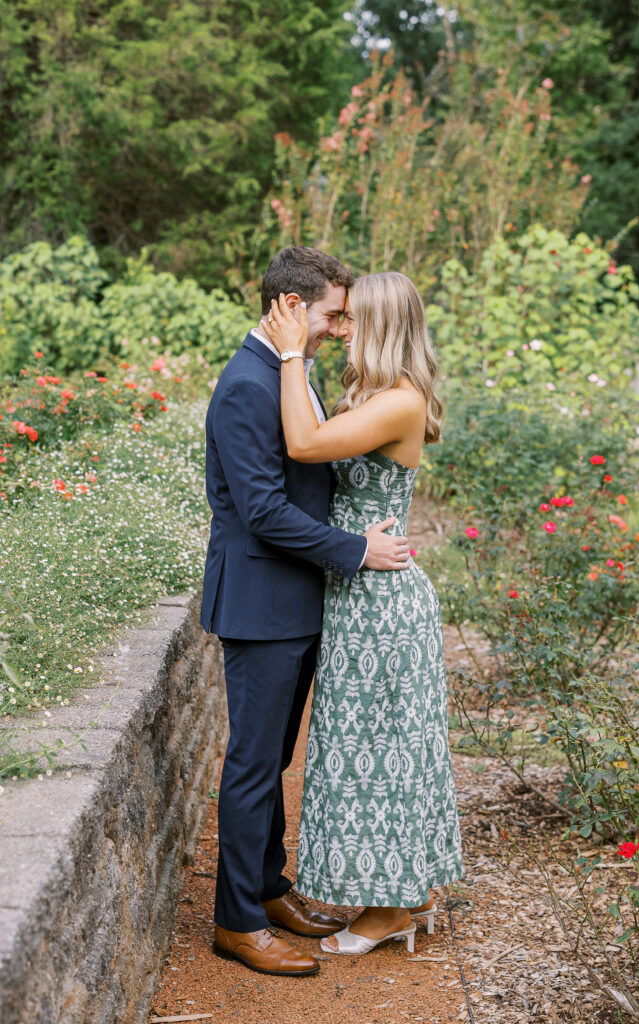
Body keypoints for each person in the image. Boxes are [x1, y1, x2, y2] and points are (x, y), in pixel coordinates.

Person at [200, 247, 412, 978]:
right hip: (261, 601)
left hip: (293, 598)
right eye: (328, 315)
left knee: (276, 759)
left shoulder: (287, 371)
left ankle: (267, 887)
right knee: (254, 765)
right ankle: (235, 922)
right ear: (290, 307)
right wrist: (353, 551)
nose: (336, 329)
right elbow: (260, 510)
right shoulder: (245, 384)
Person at [262, 270, 462, 956]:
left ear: (381, 326)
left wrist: (290, 354)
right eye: (335, 319)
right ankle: (402, 894)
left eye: (351, 320)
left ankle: (393, 909)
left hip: (382, 602)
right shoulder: (377, 393)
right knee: (365, 747)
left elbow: (303, 445)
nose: (338, 328)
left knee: (382, 749)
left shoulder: (399, 402)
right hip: (359, 592)